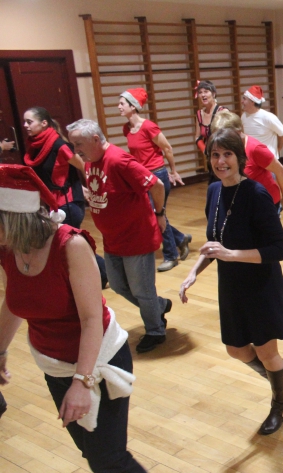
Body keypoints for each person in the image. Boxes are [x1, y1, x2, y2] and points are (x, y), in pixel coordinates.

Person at [0, 164, 180, 473]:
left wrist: (82, 382)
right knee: (93, 451)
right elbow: (14, 302)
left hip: (97, 360)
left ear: (13, 216)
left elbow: (90, 319)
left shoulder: (71, 245)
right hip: (54, 365)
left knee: (107, 457)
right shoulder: (8, 249)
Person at [179, 128, 283, 435]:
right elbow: (215, 241)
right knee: (236, 349)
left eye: (227, 154)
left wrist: (230, 254)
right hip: (231, 285)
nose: (221, 161)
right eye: (215, 155)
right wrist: (193, 272)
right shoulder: (213, 192)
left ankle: (280, 404)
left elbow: (278, 249)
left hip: (260, 285)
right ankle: (280, 377)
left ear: (241, 158)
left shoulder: (256, 194)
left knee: (267, 352)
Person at [66, 119, 172, 354]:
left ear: (95, 139)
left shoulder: (118, 160)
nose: (76, 150)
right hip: (112, 238)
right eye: (73, 144)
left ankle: (156, 330)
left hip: (136, 237)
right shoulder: (90, 161)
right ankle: (159, 306)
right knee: (117, 285)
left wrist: (160, 214)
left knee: (142, 290)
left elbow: (156, 185)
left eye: (79, 143)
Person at [22, 107, 109, 289]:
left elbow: (83, 166)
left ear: (44, 123)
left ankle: (104, 273)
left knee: (72, 246)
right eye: (25, 122)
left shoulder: (59, 145)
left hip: (68, 204)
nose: (25, 125)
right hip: (50, 205)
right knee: (64, 246)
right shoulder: (35, 147)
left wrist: (88, 189)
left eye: (29, 122)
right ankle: (100, 274)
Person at [119, 88, 191, 272]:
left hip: (157, 175)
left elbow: (167, 148)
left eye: (122, 103)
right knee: (154, 215)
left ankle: (171, 256)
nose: (119, 106)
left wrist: (173, 171)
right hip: (142, 177)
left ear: (133, 106)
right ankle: (180, 238)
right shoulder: (127, 129)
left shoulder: (149, 126)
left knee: (157, 214)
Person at [209, 111, 283, 213]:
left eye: (224, 137)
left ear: (238, 132)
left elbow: (279, 169)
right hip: (242, 200)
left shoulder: (255, 149)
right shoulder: (222, 152)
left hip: (263, 201)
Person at [241, 85, 283, 158]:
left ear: (252, 102)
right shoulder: (243, 116)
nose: (242, 102)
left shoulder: (268, 117)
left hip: (268, 159)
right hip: (252, 159)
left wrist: (278, 149)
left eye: (244, 99)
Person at [193, 80, 228, 172]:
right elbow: (197, 137)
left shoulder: (222, 112)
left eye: (206, 91)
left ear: (213, 94)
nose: (203, 95)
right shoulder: (199, 114)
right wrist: (206, 151)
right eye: (200, 92)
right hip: (211, 160)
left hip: (225, 159)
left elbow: (230, 136)